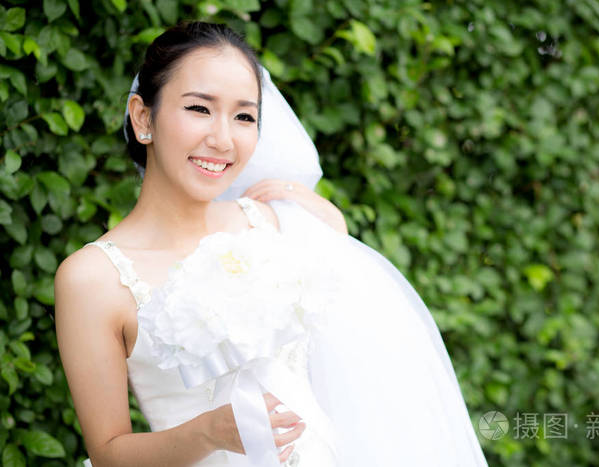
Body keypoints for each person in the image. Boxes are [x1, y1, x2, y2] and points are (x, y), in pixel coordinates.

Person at [54, 21, 488, 467]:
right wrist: (208, 433)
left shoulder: (266, 224)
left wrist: (306, 203)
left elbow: (358, 297)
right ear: (143, 117)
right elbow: (108, 453)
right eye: (199, 109)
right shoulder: (93, 278)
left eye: (244, 116)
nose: (222, 139)